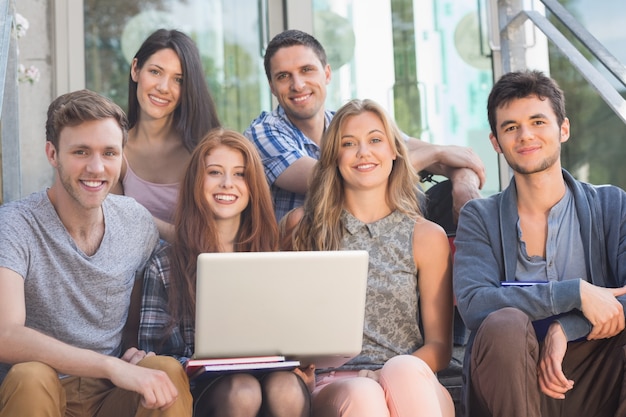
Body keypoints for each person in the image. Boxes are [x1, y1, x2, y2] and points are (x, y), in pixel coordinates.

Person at [0, 89, 192, 416]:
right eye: (81, 152)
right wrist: (110, 366)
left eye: (109, 153)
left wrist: (137, 354)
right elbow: (5, 335)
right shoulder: (15, 224)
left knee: (165, 372)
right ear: (52, 153)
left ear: (122, 157)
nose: (96, 167)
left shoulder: (135, 222)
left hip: (109, 396)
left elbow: (182, 258)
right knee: (30, 375)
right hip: (39, 392)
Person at [453, 70, 626, 417]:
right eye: (511, 127)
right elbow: (475, 303)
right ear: (496, 142)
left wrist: (566, 328)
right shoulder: (479, 217)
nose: (525, 135)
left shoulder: (612, 205)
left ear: (563, 129)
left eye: (537, 121)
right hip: (509, 379)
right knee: (503, 325)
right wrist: (573, 292)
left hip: (595, 372)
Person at [282, 98, 455, 417]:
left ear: (394, 151)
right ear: (334, 156)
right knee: (363, 395)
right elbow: (282, 325)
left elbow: (440, 348)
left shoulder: (427, 236)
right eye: (349, 143)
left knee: (401, 371)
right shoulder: (302, 227)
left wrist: (384, 375)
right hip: (335, 385)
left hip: (412, 379)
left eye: (375, 140)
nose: (363, 152)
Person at [138, 128, 313, 417]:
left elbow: (295, 332)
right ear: (197, 181)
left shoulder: (275, 258)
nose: (227, 184)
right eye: (215, 172)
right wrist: (195, 363)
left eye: (240, 174)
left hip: (272, 376)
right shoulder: (165, 263)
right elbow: (153, 352)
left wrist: (301, 358)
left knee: (286, 387)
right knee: (242, 390)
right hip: (205, 387)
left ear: (253, 184)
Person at [244, 29, 486, 222]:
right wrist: (436, 152)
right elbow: (332, 180)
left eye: (307, 70)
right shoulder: (263, 132)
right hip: (310, 252)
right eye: (284, 76)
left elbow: (456, 158)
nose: (297, 85)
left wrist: (463, 186)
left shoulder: (349, 122)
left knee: (445, 197)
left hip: (372, 238)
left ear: (327, 74)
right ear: (272, 87)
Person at [111, 28, 221, 241]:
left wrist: (140, 217)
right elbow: (114, 232)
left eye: (178, 80)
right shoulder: (115, 152)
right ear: (135, 69)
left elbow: (215, 237)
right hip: (136, 272)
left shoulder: (206, 150)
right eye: (155, 72)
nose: (163, 87)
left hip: (197, 270)